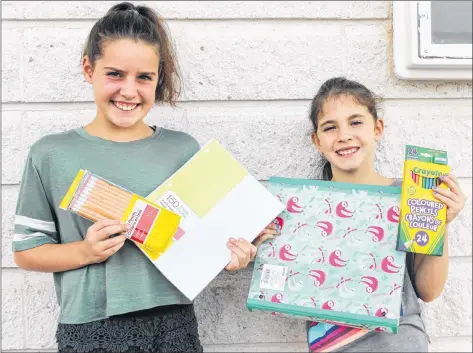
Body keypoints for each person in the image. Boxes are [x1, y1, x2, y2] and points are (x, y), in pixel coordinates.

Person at [12, 3, 274, 352]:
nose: (129, 91)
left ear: (158, 78)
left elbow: (200, 243)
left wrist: (232, 255)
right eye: (115, 74)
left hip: (174, 321)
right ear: (89, 69)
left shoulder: (182, 149)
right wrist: (85, 251)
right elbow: (27, 252)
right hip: (90, 328)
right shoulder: (50, 154)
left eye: (144, 77)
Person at [253, 77, 466, 352]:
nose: (344, 135)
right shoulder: (299, 207)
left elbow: (428, 290)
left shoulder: (408, 196)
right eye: (330, 128)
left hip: (399, 344)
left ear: (377, 128)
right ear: (317, 141)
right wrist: (264, 251)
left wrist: (441, 224)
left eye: (355, 122)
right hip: (332, 345)